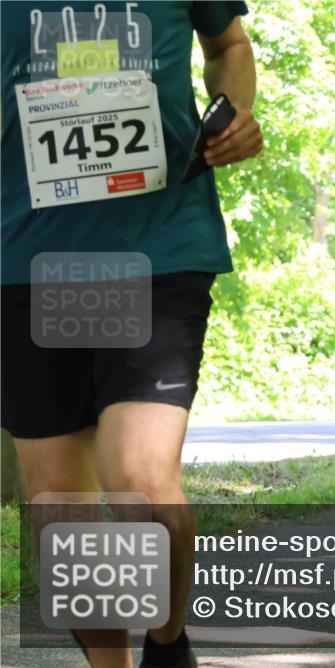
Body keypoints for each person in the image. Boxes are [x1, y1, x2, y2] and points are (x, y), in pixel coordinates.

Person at [1, 3, 262, 666]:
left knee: (140, 477)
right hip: (28, 259)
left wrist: (233, 112)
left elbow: (229, 45)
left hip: (158, 249)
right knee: (62, 510)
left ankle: (168, 643)